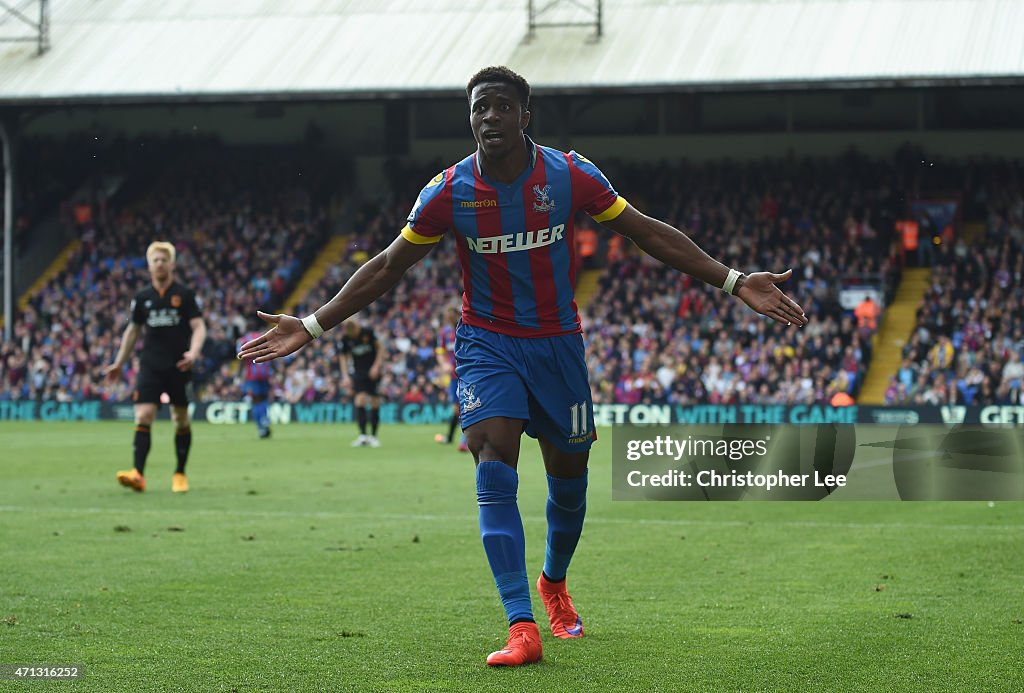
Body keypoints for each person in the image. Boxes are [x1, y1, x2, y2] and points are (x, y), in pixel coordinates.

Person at [238, 66, 807, 667]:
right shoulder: (448, 191)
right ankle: (521, 625)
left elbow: (645, 233)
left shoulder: (568, 176)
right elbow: (387, 265)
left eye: (501, 107)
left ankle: (553, 583)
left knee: (569, 476)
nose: (489, 117)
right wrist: (312, 324)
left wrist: (735, 280)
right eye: (479, 108)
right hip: (487, 344)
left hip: (559, 345)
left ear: (524, 115)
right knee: (493, 465)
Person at [105, 241, 206, 493]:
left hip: (179, 365)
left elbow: (199, 327)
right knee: (143, 415)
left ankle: (180, 473)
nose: (159, 264)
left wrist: (193, 352)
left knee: (180, 420)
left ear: (171, 264)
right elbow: (133, 331)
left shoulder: (183, 294)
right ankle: (138, 474)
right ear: (149, 266)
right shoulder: (142, 298)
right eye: (155, 260)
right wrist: (119, 362)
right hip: (150, 364)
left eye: (163, 260)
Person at [339, 318, 384, 447]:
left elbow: (380, 348)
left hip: (373, 371)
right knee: (360, 400)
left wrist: (377, 366)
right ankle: (363, 435)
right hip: (359, 373)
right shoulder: (346, 338)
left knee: (375, 402)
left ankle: (374, 436)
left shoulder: (368, 332)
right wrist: (345, 375)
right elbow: (343, 357)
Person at [434, 304, 469, 452]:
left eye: (451, 315)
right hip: (453, 376)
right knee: (457, 409)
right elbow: (440, 352)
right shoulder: (445, 332)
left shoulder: (466, 328)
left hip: (467, 374)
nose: (449, 318)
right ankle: (451, 438)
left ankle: (464, 441)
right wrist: (444, 365)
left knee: (466, 406)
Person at [238, 323, 274, 439]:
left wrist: (239, 375)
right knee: (264, 398)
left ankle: (261, 427)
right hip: (265, 373)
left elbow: (240, 357)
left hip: (252, 376)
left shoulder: (243, 340)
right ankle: (265, 419)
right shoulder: (264, 336)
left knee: (255, 400)